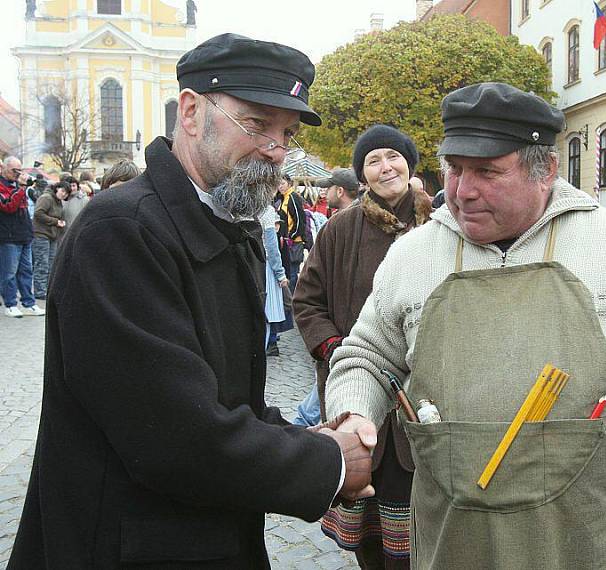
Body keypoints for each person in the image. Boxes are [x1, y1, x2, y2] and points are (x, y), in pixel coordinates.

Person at [325, 83, 606, 569]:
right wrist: (354, 413)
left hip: (592, 538)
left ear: (546, 170)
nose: (462, 190)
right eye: (455, 168)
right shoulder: (412, 256)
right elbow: (366, 356)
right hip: (455, 539)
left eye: (488, 171)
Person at [8, 33, 374, 570]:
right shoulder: (120, 231)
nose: (275, 149)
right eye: (256, 124)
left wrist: (303, 436)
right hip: (125, 547)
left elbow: (228, 402)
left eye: (287, 133)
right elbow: (175, 438)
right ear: (191, 111)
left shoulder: (224, 222)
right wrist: (330, 464)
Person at [294, 124, 431, 568]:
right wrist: (337, 351)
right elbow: (307, 302)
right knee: (370, 530)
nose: (385, 167)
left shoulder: (441, 226)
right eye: (373, 161)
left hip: (425, 395)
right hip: (363, 397)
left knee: (426, 527)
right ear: (362, 175)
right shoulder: (339, 230)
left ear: (409, 164)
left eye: (393, 156)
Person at [0, 157, 45, 318]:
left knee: (26, 272)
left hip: (24, 235)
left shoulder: (17, 185)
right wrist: (21, 188)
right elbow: (8, 207)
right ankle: (10, 304)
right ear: (4, 169)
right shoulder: (3, 186)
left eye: (19, 170)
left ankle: (29, 303)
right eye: (14, 170)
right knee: (9, 273)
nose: (17, 173)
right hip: (7, 236)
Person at [260, 203, 289, 357]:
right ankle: (269, 345)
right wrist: (280, 273)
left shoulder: (242, 205)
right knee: (268, 312)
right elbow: (272, 247)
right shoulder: (267, 211)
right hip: (265, 267)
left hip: (248, 263)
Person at [31, 181, 67, 299]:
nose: (63, 194)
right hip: (41, 234)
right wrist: (55, 221)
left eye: (66, 193)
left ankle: (48, 289)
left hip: (52, 235)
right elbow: (38, 213)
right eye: (62, 191)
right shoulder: (46, 198)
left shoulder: (58, 201)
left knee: (51, 264)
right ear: (57, 189)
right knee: (42, 263)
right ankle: (40, 291)